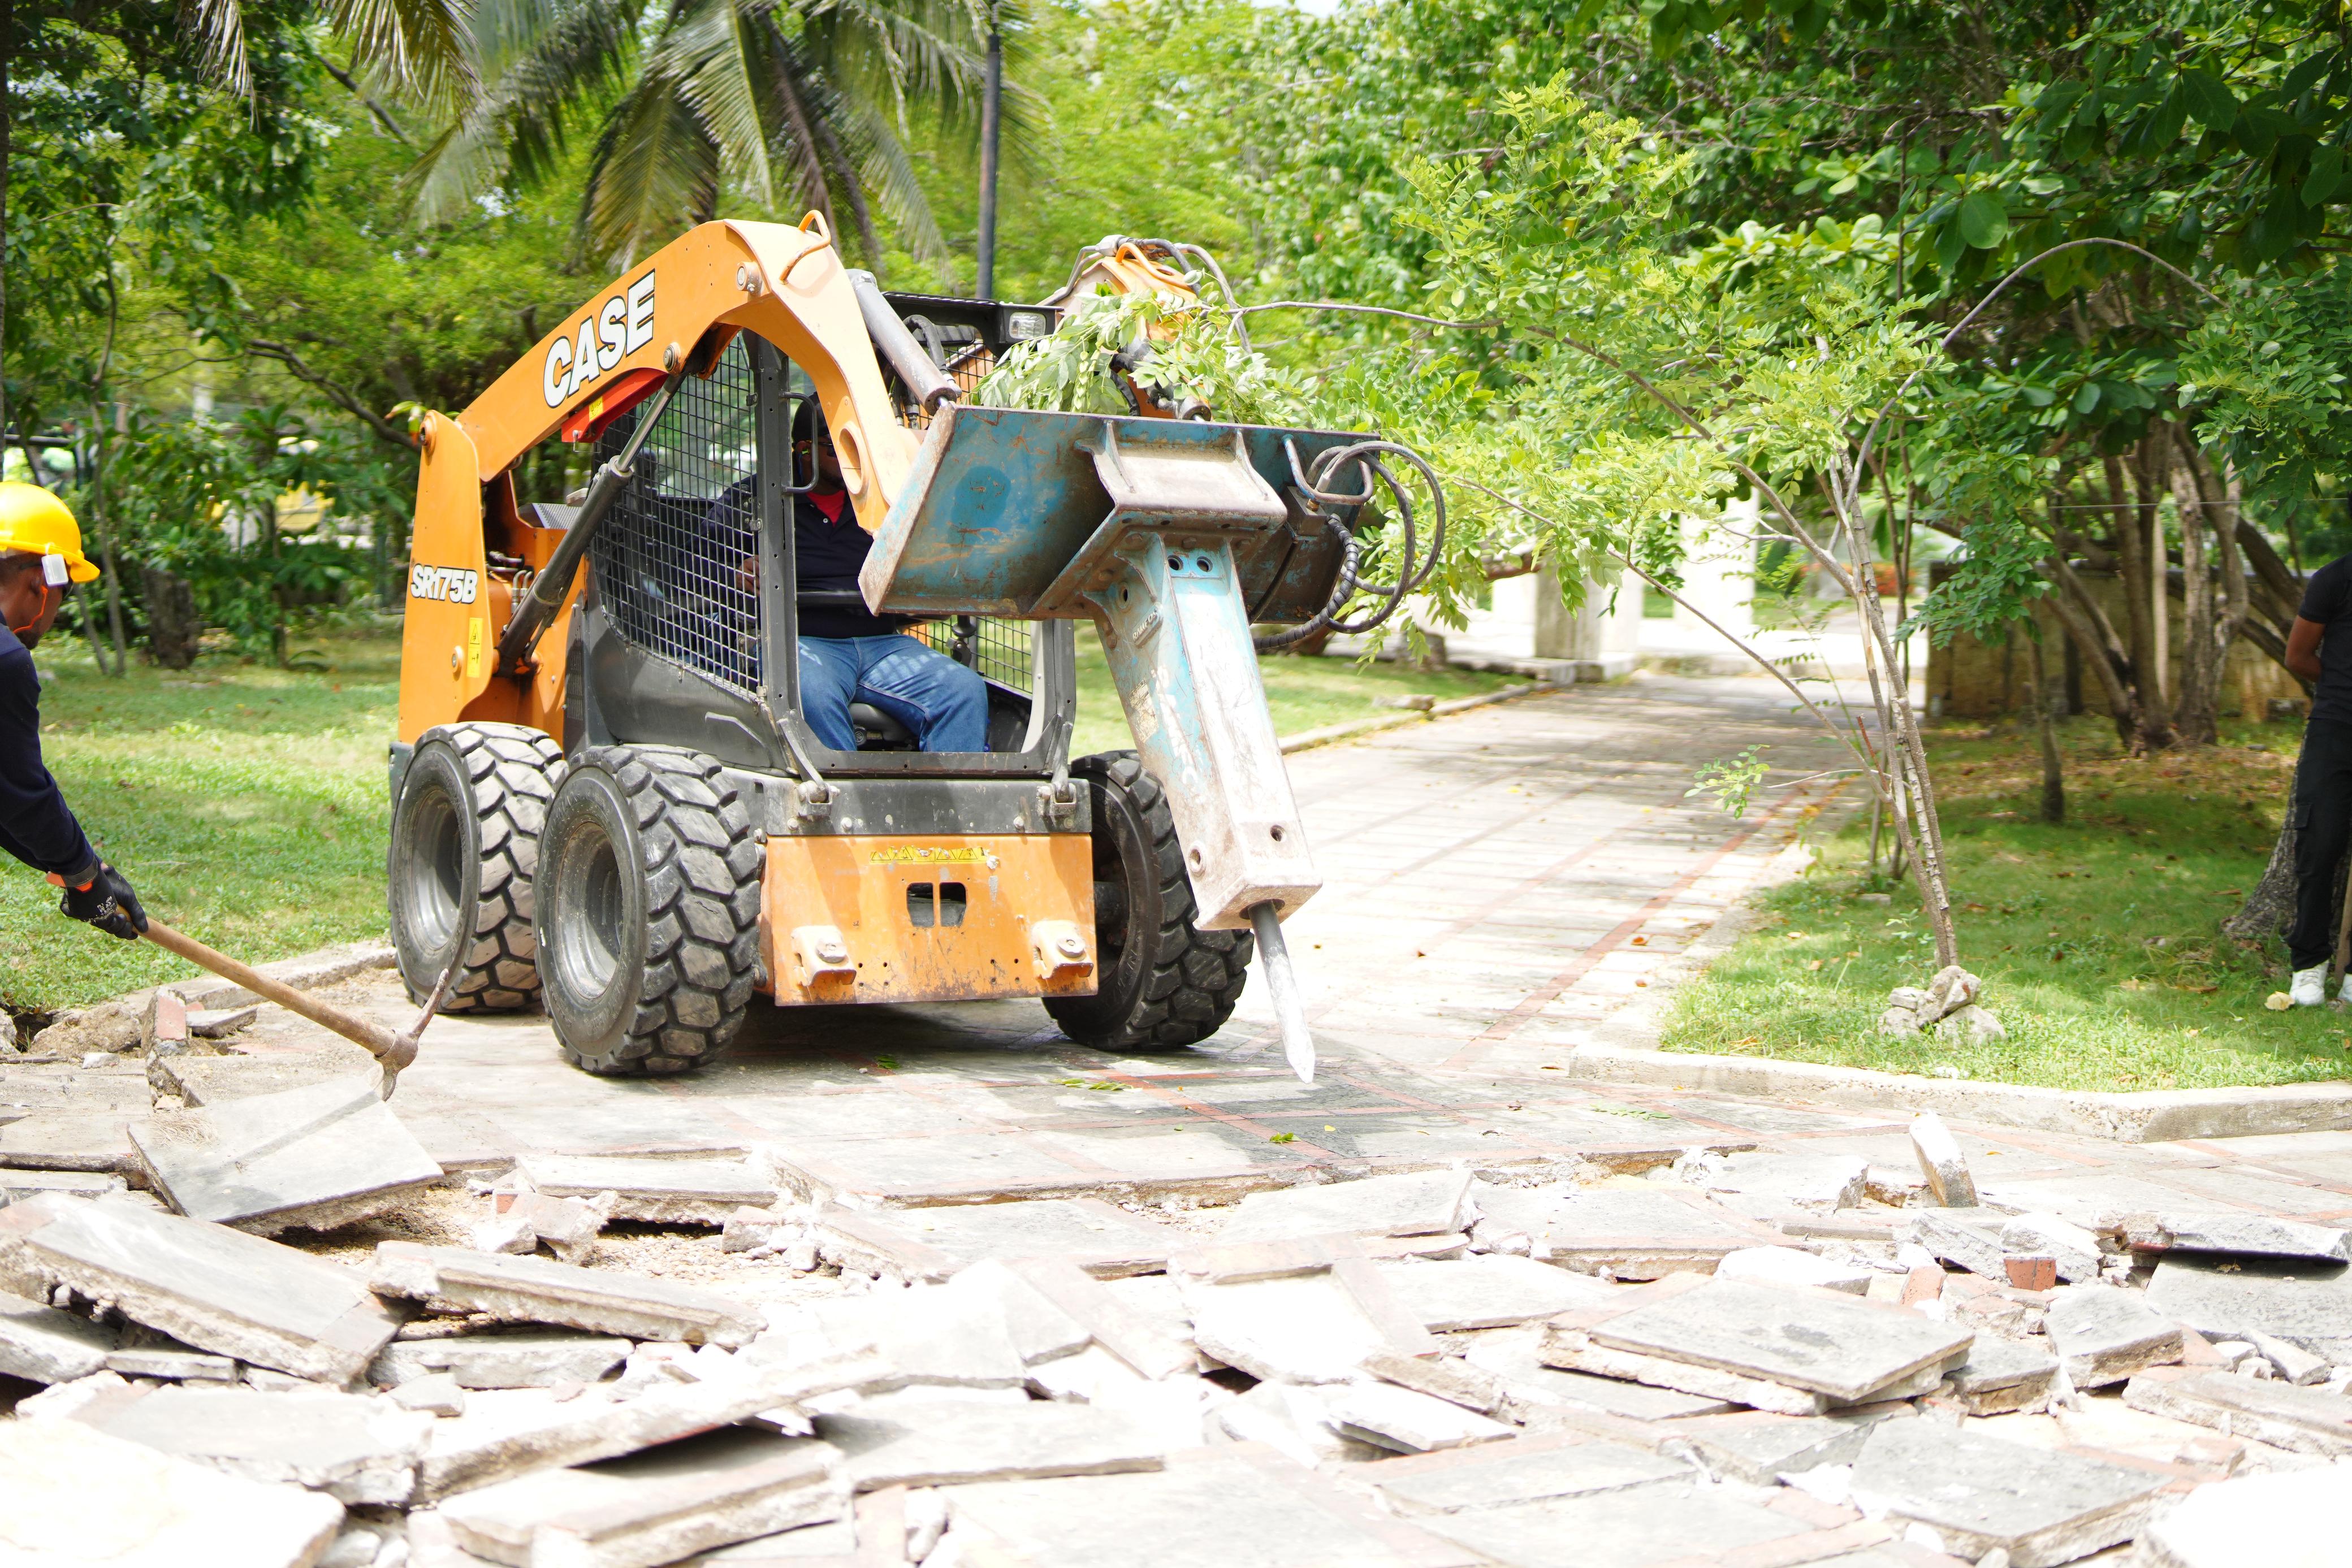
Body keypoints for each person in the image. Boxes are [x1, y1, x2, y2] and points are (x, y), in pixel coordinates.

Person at [789, 401, 988, 753]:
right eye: (843, 449)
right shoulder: (756, 499)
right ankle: (843, 798)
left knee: (962, 690)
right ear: (806, 450)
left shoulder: (886, 500)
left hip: (882, 644)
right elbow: (703, 565)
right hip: (804, 643)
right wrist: (740, 571)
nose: (858, 460)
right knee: (812, 693)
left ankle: (951, 803)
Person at [0, 483, 145, 939]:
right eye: (64, 593)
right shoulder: (5, 660)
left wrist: (85, 866)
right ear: (43, 582)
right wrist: (81, 873)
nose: (56, 612)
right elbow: (20, 792)